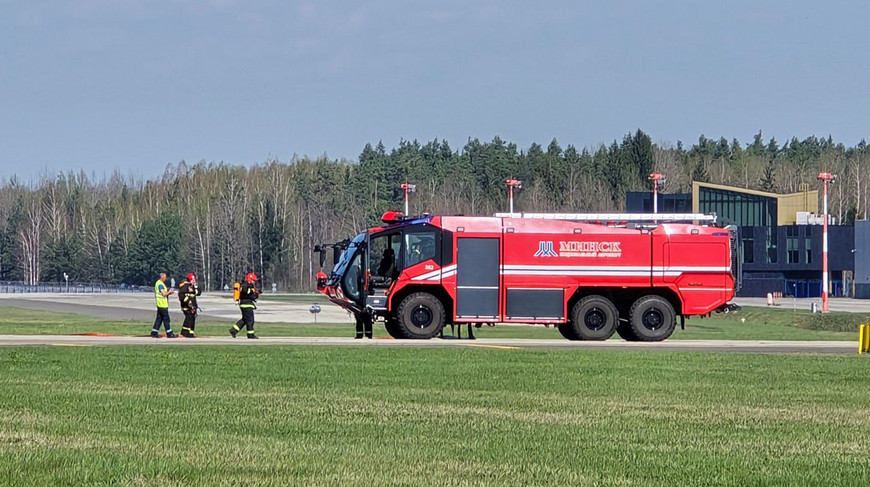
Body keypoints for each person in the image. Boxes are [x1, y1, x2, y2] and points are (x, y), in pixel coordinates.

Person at [230, 272, 261, 339]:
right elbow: (246, 292)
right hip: (246, 305)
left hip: (246, 304)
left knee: (245, 319)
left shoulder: (248, 286)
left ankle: (233, 330)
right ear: (250, 280)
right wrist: (252, 291)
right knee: (250, 320)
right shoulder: (245, 285)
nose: (254, 282)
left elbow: (251, 296)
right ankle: (250, 334)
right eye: (253, 280)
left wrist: (256, 294)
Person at [152, 272, 176, 338]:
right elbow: (163, 293)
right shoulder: (160, 284)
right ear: (162, 277)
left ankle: (154, 332)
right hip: (162, 304)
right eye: (165, 277)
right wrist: (169, 292)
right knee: (166, 319)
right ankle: (169, 333)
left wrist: (169, 293)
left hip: (160, 303)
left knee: (159, 319)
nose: (165, 279)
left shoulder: (159, 283)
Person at [178, 273, 201, 337]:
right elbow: (181, 296)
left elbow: (199, 292)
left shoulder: (193, 287)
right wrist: (188, 301)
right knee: (189, 318)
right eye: (192, 279)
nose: (194, 280)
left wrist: (193, 289)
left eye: (194, 279)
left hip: (193, 307)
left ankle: (190, 332)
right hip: (186, 306)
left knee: (192, 319)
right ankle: (185, 332)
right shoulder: (184, 286)